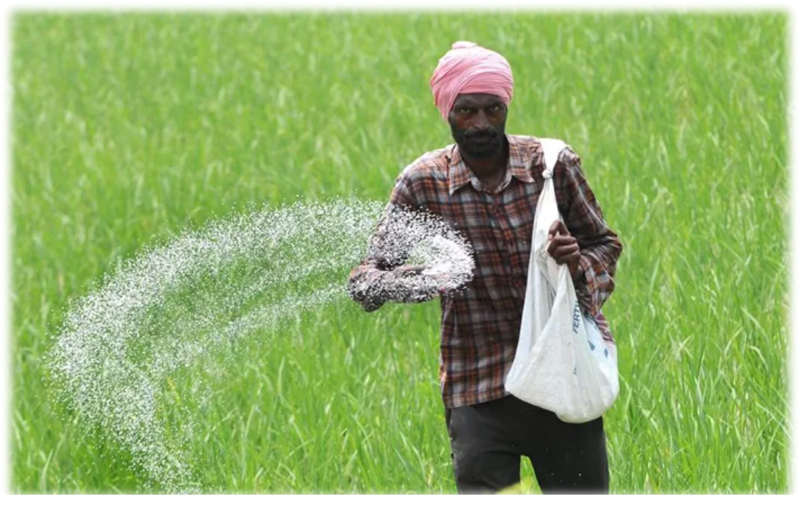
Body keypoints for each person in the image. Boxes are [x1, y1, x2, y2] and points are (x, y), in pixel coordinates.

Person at [348, 41, 623, 494]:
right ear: (447, 112)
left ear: (506, 107)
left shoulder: (550, 168)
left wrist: (576, 264)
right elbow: (365, 278)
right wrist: (408, 282)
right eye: (466, 111)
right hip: (477, 388)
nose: (480, 124)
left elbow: (604, 245)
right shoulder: (423, 184)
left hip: (559, 374)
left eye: (493, 109)